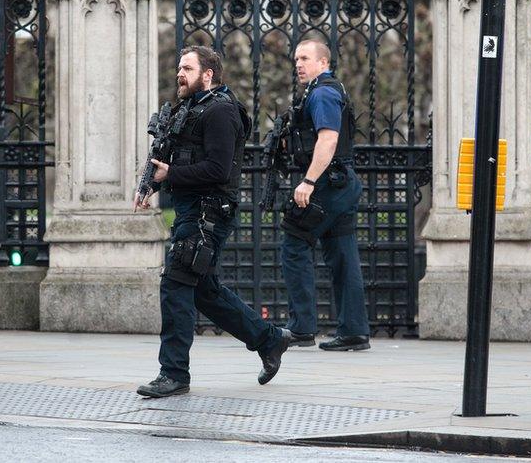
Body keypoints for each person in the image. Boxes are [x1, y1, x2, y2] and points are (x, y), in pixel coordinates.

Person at [134, 45, 291, 398]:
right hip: (194, 210)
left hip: (209, 212)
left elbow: (218, 170)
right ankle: (269, 339)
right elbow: (166, 151)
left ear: (208, 74)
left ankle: (174, 373)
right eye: (179, 67)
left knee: (175, 284)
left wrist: (171, 174)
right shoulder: (190, 108)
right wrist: (148, 184)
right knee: (204, 292)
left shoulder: (221, 111)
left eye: (187, 68)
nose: (180, 73)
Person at [280, 39, 370, 351]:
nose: (299, 65)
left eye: (305, 58)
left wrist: (307, 181)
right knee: (343, 254)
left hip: (327, 185)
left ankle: (302, 328)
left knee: (294, 244)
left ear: (323, 62)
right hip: (340, 182)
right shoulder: (327, 90)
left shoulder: (322, 93)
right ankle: (354, 332)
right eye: (296, 60)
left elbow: (328, 140)